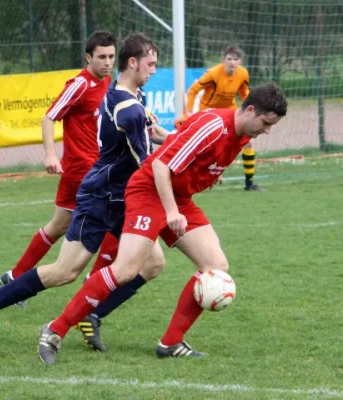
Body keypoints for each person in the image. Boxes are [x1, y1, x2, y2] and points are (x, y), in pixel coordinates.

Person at [38, 82, 288, 364]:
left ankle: (170, 343)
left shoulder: (240, 134)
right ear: (251, 110)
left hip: (177, 197)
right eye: (266, 123)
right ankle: (54, 330)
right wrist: (171, 212)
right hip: (149, 191)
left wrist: (203, 177)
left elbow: (181, 146)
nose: (267, 130)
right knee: (126, 269)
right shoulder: (214, 125)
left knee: (216, 267)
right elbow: (160, 165)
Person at [0, 33, 170, 350]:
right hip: (102, 196)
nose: (155, 70)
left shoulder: (124, 94)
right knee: (65, 271)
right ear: (133, 63)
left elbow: (151, 132)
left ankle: (90, 315)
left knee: (152, 262)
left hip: (119, 196)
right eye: (151, 64)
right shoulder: (124, 105)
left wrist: (182, 141)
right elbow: (147, 162)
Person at [0, 30, 120, 308]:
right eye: (101, 57)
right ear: (88, 57)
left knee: (58, 226)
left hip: (90, 169)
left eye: (111, 56)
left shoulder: (107, 82)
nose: (107, 62)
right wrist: (51, 154)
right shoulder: (79, 85)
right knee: (117, 217)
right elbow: (49, 117)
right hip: (83, 170)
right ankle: (97, 286)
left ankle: (14, 277)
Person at [175, 46, 261, 191]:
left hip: (230, 112)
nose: (232, 62)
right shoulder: (213, 74)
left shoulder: (243, 74)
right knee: (209, 148)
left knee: (247, 143)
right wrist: (188, 112)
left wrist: (252, 111)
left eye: (235, 59)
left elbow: (244, 93)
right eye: (229, 59)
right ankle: (198, 178)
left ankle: (249, 183)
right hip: (210, 112)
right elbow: (194, 90)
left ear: (240, 61)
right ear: (223, 60)